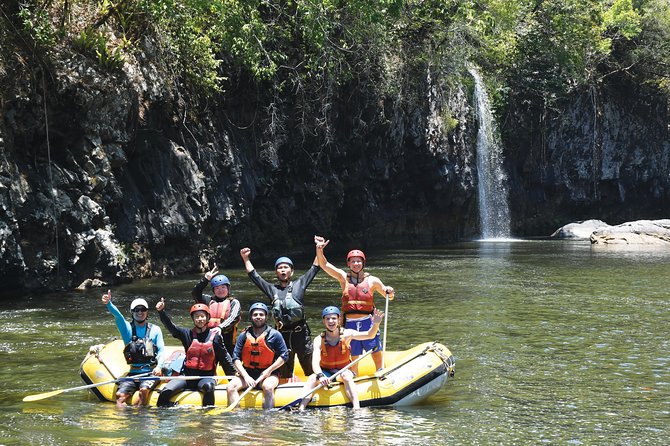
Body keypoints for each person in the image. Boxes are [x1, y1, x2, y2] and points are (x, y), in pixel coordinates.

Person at [314, 235, 394, 372]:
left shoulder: (372, 280)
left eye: (358, 261)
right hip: (350, 323)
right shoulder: (343, 278)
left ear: (363, 263)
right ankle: (354, 376)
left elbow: (389, 296)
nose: (356, 264)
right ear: (348, 264)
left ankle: (381, 371)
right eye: (353, 261)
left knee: (375, 351)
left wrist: (390, 291)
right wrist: (319, 249)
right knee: (354, 354)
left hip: (367, 321)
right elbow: (324, 265)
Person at [240, 246, 320, 378]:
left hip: (301, 335)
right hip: (282, 336)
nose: (283, 270)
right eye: (280, 268)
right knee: (284, 372)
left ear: (292, 271)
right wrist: (246, 258)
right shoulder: (272, 290)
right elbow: (254, 276)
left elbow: (315, 267)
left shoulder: (300, 284)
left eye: (286, 267)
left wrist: (319, 249)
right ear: (276, 272)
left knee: (310, 368)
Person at [298, 306, 384, 410]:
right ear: (323, 321)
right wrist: (321, 376)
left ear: (339, 319)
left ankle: (356, 408)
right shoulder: (318, 340)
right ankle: (301, 408)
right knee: (312, 378)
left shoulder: (347, 334)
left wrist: (376, 323)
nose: (331, 321)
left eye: (334, 318)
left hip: (343, 371)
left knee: (346, 376)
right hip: (326, 372)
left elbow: (369, 335)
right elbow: (315, 363)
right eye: (328, 319)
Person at [155, 298, 236, 407]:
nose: (200, 319)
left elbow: (224, 358)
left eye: (202, 316)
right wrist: (161, 312)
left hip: (206, 377)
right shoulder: (186, 334)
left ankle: (206, 418)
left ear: (207, 318)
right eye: (196, 316)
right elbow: (172, 328)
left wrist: (233, 378)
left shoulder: (215, 337)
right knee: (165, 392)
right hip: (187, 377)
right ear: (193, 319)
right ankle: (169, 411)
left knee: (209, 387)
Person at [101, 290, 165, 407]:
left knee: (143, 391)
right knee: (120, 396)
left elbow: (161, 350)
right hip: (133, 373)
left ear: (147, 312)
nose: (140, 312)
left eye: (143, 309)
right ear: (132, 312)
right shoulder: (127, 329)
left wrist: (159, 366)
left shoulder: (155, 330)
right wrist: (109, 303)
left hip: (150, 372)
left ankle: (141, 420)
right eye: (136, 310)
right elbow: (118, 316)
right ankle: (124, 423)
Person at [227, 302, 289, 409]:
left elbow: (284, 355)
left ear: (266, 317)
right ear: (251, 317)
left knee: (268, 387)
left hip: (268, 373)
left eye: (261, 314)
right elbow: (235, 358)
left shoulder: (275, 335)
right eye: (255, 315)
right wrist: (246, 376)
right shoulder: (243, 335)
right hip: (248, 373)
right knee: (231, 387)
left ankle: (267, 419)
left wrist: (268, 370)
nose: (258, 317)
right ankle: (236, 417)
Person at [191, 266, 241, 366]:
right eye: (217, 288)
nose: (220, 290)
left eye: (223, 287)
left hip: (227, 341)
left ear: (228, 288)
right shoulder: (208, 301)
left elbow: (233, 318)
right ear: (213, 290)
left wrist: (220, 327)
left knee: (229, 365)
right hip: (208, 340)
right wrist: (206, 279)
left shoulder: (234, 302)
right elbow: (195, 293)